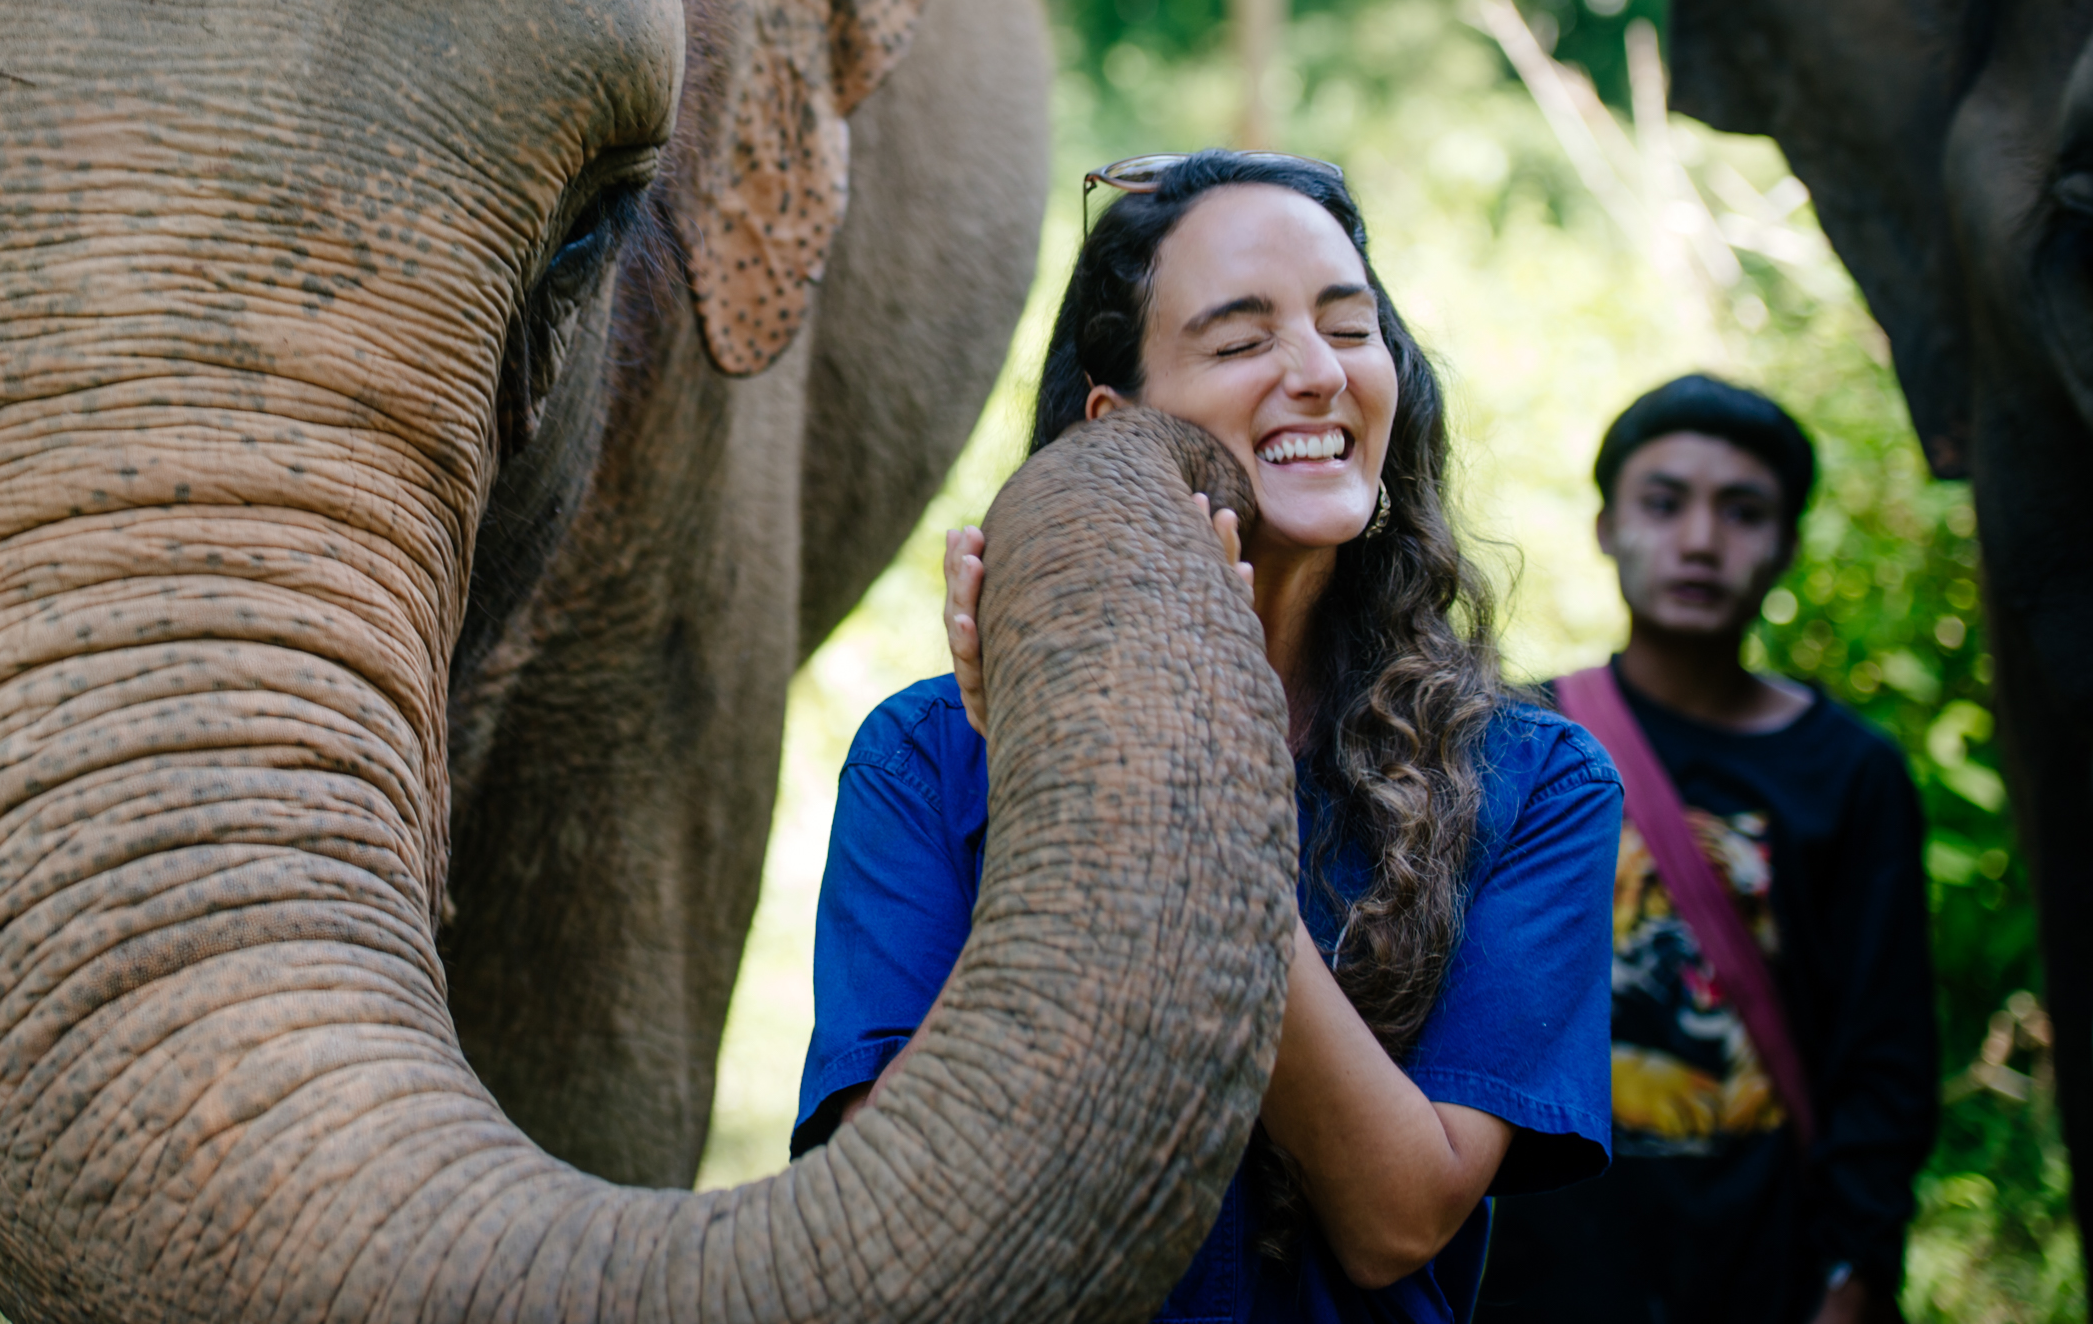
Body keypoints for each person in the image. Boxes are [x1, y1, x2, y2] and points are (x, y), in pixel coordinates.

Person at [792, 149, 1623, 1322]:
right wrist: (1074, 772)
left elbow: (1399, 1219)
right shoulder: (928, 754)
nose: (1318, 373)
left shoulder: (1540, 780)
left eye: (1352, 327)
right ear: (1114, 422)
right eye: (1240, 342)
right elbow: (900, 1208)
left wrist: (1189, 793)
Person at [1481, 376, 1939, 1324]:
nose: (1699, 539)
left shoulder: (1850, 774)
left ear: (1785, 545)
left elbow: (1885, 1052)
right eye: (1664, 502)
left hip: (1764, 1261)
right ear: (1607, 526)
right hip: (1540, 1265)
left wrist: (1855, 1269)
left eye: (1742, 512)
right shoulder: (1517, 737)